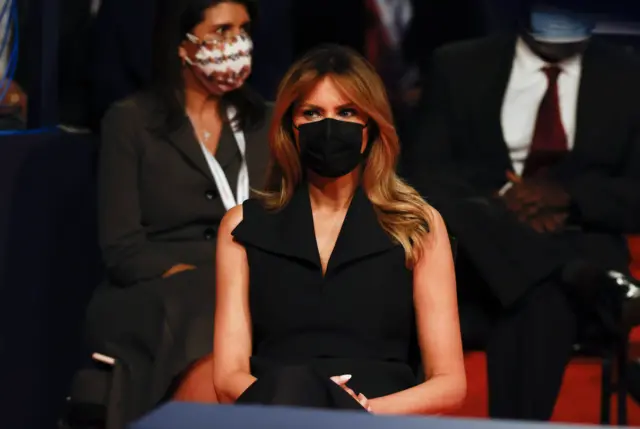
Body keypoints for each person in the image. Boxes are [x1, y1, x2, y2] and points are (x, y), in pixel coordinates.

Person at [403, 0, 640, 421]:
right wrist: (504, 201)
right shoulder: (459, 65)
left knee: (538, 299)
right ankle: (578, 274)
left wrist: (568, 197)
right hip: (481, 253)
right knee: (529, 272)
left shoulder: (628, 76)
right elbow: (424, 174)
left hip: (572, 239)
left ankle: (562, 273)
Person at [212, 44, 466, 414]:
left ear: (371, 125)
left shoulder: (416, 225)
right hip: (276, 412)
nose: (329, 127)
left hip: (377, 416)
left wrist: (357, 410)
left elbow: (449, 383)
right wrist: (308, 404)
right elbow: (228, 376)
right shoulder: (242, 227)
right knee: (293, 384)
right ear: (291, 126)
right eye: (312, 113)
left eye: (346, 112)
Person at [84, 0, 269, 424]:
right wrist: (210, 276)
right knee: (204, 303)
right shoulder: (130, 121)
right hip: (154, 288)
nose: (236, 43)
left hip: (249, 280)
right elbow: (123, 250)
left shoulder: (267, 121)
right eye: (221, 31)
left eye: (243, 30)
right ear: (182, 45)